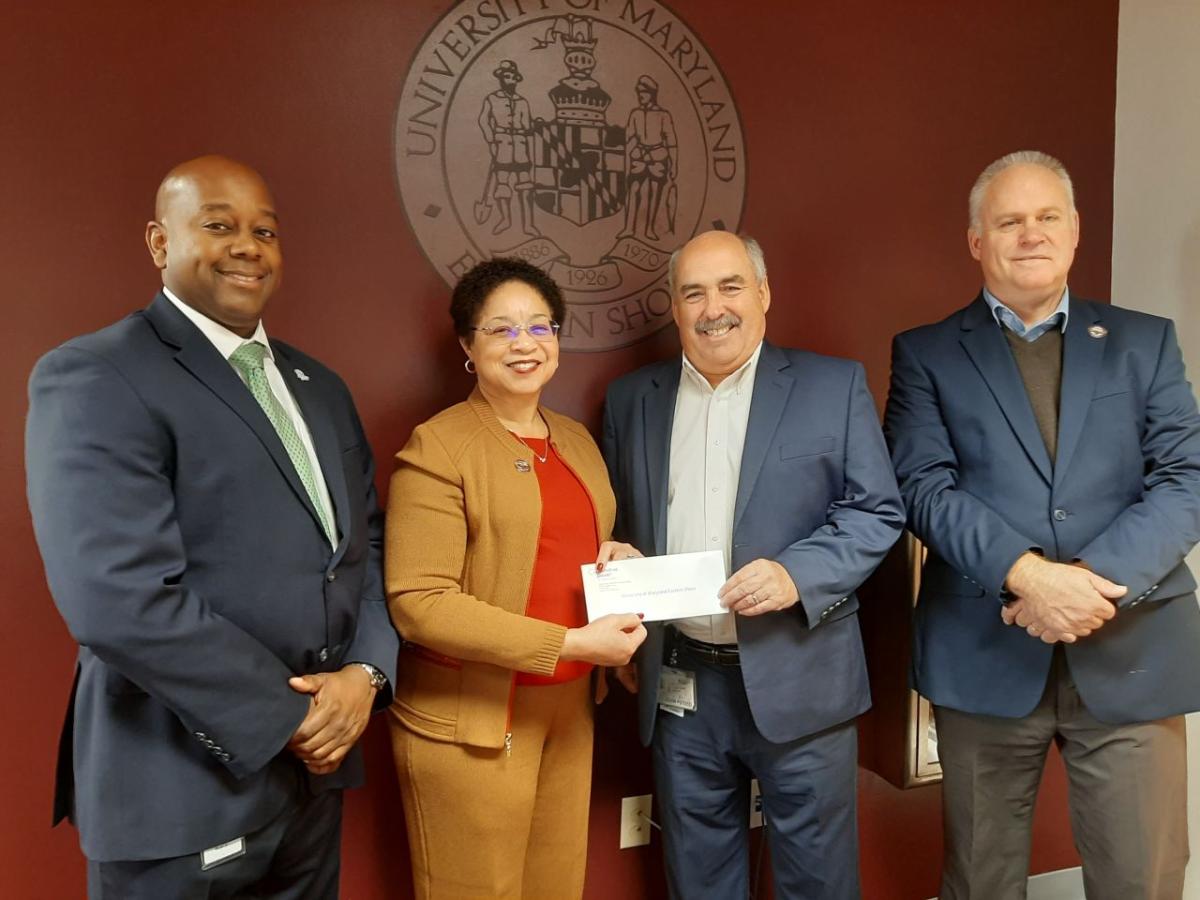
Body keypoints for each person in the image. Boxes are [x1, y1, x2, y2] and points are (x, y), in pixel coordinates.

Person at [25, 155, 398, 899]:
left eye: (265, 230)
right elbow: (118, 599)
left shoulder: (319, 388)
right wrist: (292, 716)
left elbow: (366, 549)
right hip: (176, 791)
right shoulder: (99, 373)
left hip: (312, 790)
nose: (247, 246)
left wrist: (365, 675)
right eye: (219, 225)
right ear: (160, 243)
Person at [884, 150, 1200, 899]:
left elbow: (1186, 478)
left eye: (1046, 217)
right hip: (984, 651)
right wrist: (1029, 576)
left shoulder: (1143, 341)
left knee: (1142, 879)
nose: (1030, 234)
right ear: (976, 241)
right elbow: (923, 486)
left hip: (1131, 650)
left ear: (1075, 230)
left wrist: (1086, 586)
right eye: (1009, 221)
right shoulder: (926, 354)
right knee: (981, 879)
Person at [603, 231, 904, 899]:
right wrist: (622, 585)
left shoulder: (832, 386)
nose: (715, 308)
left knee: (817, 883)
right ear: (674, 307)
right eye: (694, 292)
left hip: (803, 674)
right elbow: (624, 526)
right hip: (682, 684)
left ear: (763, 294)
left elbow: (877, 513)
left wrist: (796, 574)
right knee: (698, 880)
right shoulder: (632, 400)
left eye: (731, 286)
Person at [384, 257, 647, 900]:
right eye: (501, 330)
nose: (524, 343)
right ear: (468, 347)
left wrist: (620, 563)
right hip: (470, 721)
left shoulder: (578, 442)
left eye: (540, 326)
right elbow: (419, 601)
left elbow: (566, 550)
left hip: (570, 711)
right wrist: (569, 644)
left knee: (557, 889)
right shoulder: (439, 446)